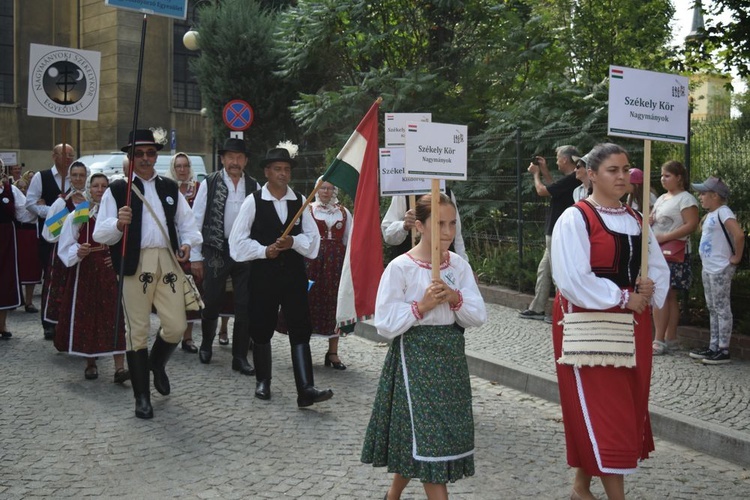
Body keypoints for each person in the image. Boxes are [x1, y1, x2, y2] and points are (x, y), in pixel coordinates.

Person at [550, 143, 669, 500]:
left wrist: (647, 287)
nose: (622, 176)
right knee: (606, 410)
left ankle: (580, 487)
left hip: (632, 323)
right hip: (590, 324)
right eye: (612, 170)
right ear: (591, 174)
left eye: (626, 169)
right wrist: (621, 296)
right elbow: (571, 277)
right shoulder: (576, 218)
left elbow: (656, 266)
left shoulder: (635, 219)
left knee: (626, 403)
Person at [361, 193, 487, 500]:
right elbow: (386, 323)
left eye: (452, 224)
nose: (447, 232)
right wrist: (421, 306)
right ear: (419, 226)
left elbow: (478, 315)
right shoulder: (400, 268)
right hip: (414, 359)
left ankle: (392, 496)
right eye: (440, 224)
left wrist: (455, 298)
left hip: (451, 359)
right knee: (427, 437)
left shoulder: (458, 265)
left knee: (425, 438)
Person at [93, 129, 202, 419]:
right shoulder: (117, 190)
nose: (144, 158)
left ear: (156, 156)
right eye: (138, 154)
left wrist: (189, 243)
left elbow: (187, 224)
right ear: (129, 157)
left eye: (150, 153)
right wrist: (118, 223)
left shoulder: (169, 187)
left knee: (177, 327)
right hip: (134, 264)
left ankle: (156, 364)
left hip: (167, 261)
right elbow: (99, 232)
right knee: (137, 331)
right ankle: (142, 397)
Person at [228, 146, 332, 406]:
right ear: (267, 172)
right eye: (277, 169)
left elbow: (313, 241)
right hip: (263, 276)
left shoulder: (299, 201)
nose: (283, 174)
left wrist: (293, 242)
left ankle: (306, 388)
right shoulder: (254, 201)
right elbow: (237, 243)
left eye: (286, 169)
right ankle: (263, 380)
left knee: (300, 326)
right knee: (262, 327)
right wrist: (264, 250)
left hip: (294, 275)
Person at [191, 138, 260, 374]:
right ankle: (206, 344)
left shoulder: (254, 185)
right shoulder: (209, 183)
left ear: (246, 161)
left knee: (245, 305)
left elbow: (258, 222)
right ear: (222, 159)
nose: (235, 162)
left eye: (239, 157)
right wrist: (195, 256)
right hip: (215, 250)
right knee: (212, 300)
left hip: (244, 252)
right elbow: (195, 220)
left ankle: (239, 357)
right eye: (230, 157)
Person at [56, 172, 129, 383]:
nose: (100, 189)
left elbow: (127, 243)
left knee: (115, 316)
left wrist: (117, 260)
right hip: (86, 270)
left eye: (104, 186)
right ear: (90, 188)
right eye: (96, 186)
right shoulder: (80, 212)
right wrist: (77, 251)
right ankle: (90, 362)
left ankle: (119, 367)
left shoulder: (117, 213)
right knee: (88, 314)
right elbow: (65, 242)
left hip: (110, 271)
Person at [519, 145, 581, 322]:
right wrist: (545, 170)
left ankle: (561, 312)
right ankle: (537, 308)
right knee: (544, 271)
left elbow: (543, 191)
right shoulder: (570, 180)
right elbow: (554, 188)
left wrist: (536, 174)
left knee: (556, 273)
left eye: (557, 158)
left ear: (565, 159)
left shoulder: (572, 179)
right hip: (554, 231)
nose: (557, 162)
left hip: (557, 232)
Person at [689, 177, 745, 365]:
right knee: (713, 308)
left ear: (715, 196)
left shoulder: (724, 212)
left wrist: (736, 258)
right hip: (709, 268)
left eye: (704, 193)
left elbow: (739, 234)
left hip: (720, 268)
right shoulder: (712, 214)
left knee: (721, 309)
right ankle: (713, 346)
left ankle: (723, 349)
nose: (700, 197)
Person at [298, 177, 352, 369]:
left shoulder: (344, 213)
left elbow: (349, 240)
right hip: (312, 263)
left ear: (334, 191)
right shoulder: (308, 209)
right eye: (322, 188)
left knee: (334, 304)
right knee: (308, 302)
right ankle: (304, 350)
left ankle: (333, 353)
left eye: (329, 188)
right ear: (316, 189)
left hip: (335, 265)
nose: (326, 192)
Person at [25, 143, 77, 339]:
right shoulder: (41, 177)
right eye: (65, 154)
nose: (69, 158)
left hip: (72, 236)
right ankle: (49, 322)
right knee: (50, 279)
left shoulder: (77, 177)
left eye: (72, 155)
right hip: (49, 237)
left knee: (69, 279)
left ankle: (66, 320)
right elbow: (30, 203)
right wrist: (53, 211)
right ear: (54, 156)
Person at [650, 160, 699, 356]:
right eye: (662, 175)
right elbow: (654, 217)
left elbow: (691, 225)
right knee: (666, 294)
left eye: (667, 175)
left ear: (679, 178)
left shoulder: (686, 199)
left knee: (664, 293)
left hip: (673, 251)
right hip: (658, 250)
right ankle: (670, 338)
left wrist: (665, 237)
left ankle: (659, 339)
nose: (663, 179)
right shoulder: (662, 198)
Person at [40, 161, 89, 339]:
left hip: (84, 251)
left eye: (81, 175)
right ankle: (52, 323)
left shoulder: (91, 201)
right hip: (62, 250)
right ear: (70, 178)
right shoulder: (61, 202)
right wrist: (69, 221)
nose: (78, 179)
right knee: (58, 286)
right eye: (74, 175)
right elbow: (48, 232)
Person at [165, 152, 202, 353]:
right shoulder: (166, 188)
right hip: (169, 248)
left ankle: (187, 338)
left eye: (185, 165)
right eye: (178, 166)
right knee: (168, 292)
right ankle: (168, 335)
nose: (182, 169)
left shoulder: (197, 189)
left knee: (190, 293)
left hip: (190, 248)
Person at [381, 188, 468, 261]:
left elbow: (457, 236)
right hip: (411, 267)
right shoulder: (404, 192)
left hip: (445, 266)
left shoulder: (447, 192)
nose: (447, 232)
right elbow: (388, 234)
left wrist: (464, 264)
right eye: (440, 223)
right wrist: (404, 225)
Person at [1, 159, 36, 339]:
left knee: (5, 277)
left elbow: (26, 211)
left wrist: (45, 210)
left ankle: (2, 324)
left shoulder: (10, 189)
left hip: (5, 237)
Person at [14, 172, 43, 313]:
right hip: (20, 231)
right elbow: (24, 213)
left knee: (32, 266)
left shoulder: (40, 192)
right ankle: (17, 298)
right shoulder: (14, 191)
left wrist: (39, 207)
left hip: (34, 231)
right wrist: (37, 207)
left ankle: (29, 301)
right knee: (17, 266)